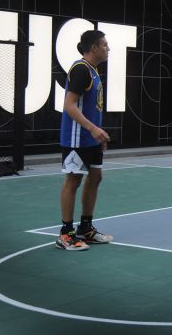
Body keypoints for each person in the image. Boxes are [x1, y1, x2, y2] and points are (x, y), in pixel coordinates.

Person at [56, 30, 114, 250]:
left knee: (96, 177)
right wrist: (92, 129)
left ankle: (85, 229)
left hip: (91, 138)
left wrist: (98, 133)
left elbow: (91, 106)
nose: (108, 49)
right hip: (76, 138)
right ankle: (66, 233)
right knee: (73, 181)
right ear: (94, 48)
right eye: (105, 45)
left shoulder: (93, 70)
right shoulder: (80, 69)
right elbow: (69, 105)